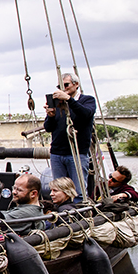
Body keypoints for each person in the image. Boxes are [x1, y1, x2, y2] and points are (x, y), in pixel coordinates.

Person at [44, 72, 96, 202]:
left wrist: (69, 99)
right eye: (60, 86)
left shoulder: (87, 100)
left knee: (79, 190)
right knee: (59, 190)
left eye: (66, 85)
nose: (63, 88)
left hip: (77, 153)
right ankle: (63, 215)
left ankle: (80, 216)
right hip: (57, 153)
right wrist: (50, 116)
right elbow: (48, 128)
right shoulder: (57, 104)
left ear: (76, 84)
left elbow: (85, 114)